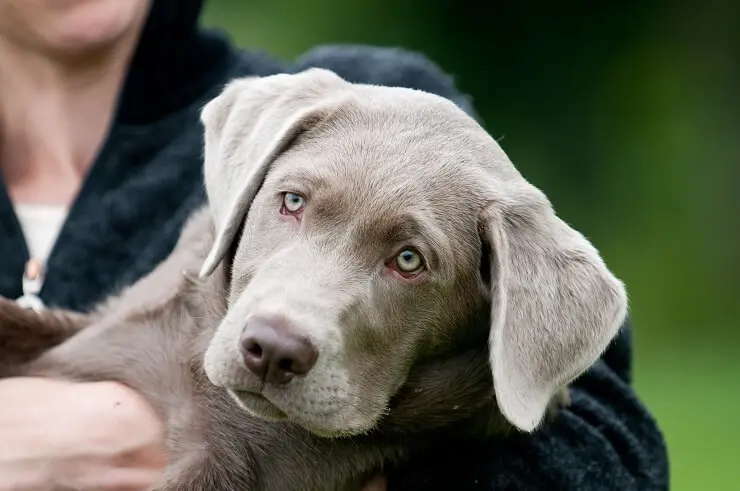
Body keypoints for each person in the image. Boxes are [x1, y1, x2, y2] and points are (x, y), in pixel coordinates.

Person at [0, 0, 669, 489]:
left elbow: (613, 458)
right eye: (292, 203)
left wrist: (112, 437)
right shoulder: (268, 136)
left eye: (409, 258)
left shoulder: (377, 115)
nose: (285, 325)